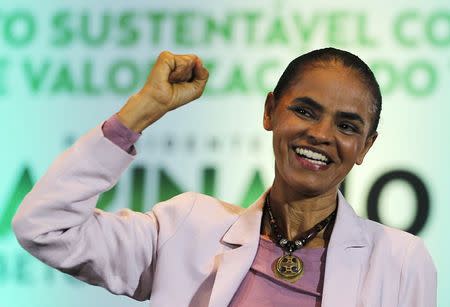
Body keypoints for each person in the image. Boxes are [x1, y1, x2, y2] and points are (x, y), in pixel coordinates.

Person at [13, 48, 436, 307]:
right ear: (270, 111)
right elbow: (46, 227)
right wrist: (141, 111)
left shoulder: (399, 262)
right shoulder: (187, 227)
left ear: (366, 146)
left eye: (347, 126)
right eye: (304, 110)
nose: (321, 134)